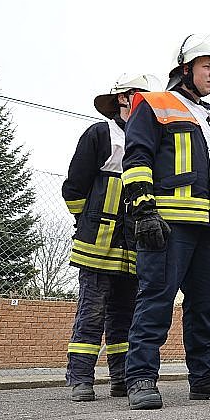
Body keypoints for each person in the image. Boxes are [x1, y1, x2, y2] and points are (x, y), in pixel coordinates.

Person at [121, 33, 210, 409]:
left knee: (206, 306)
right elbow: (138, 156)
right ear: (185, 68)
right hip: (168, 224)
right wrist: (144, 209)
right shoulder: (156, 103)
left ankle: (206, 378)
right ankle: (142, 378)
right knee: (156, 300)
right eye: (206, 66)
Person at [63, 73, 159, 402]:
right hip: (97, 244)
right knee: (91, 311)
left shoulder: (150, 141)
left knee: (126, 316)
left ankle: (121, 376)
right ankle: (80, 378)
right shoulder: (100, 134)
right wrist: (87, 221)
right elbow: (74, 188)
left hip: (134, 245)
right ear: (123, 98)